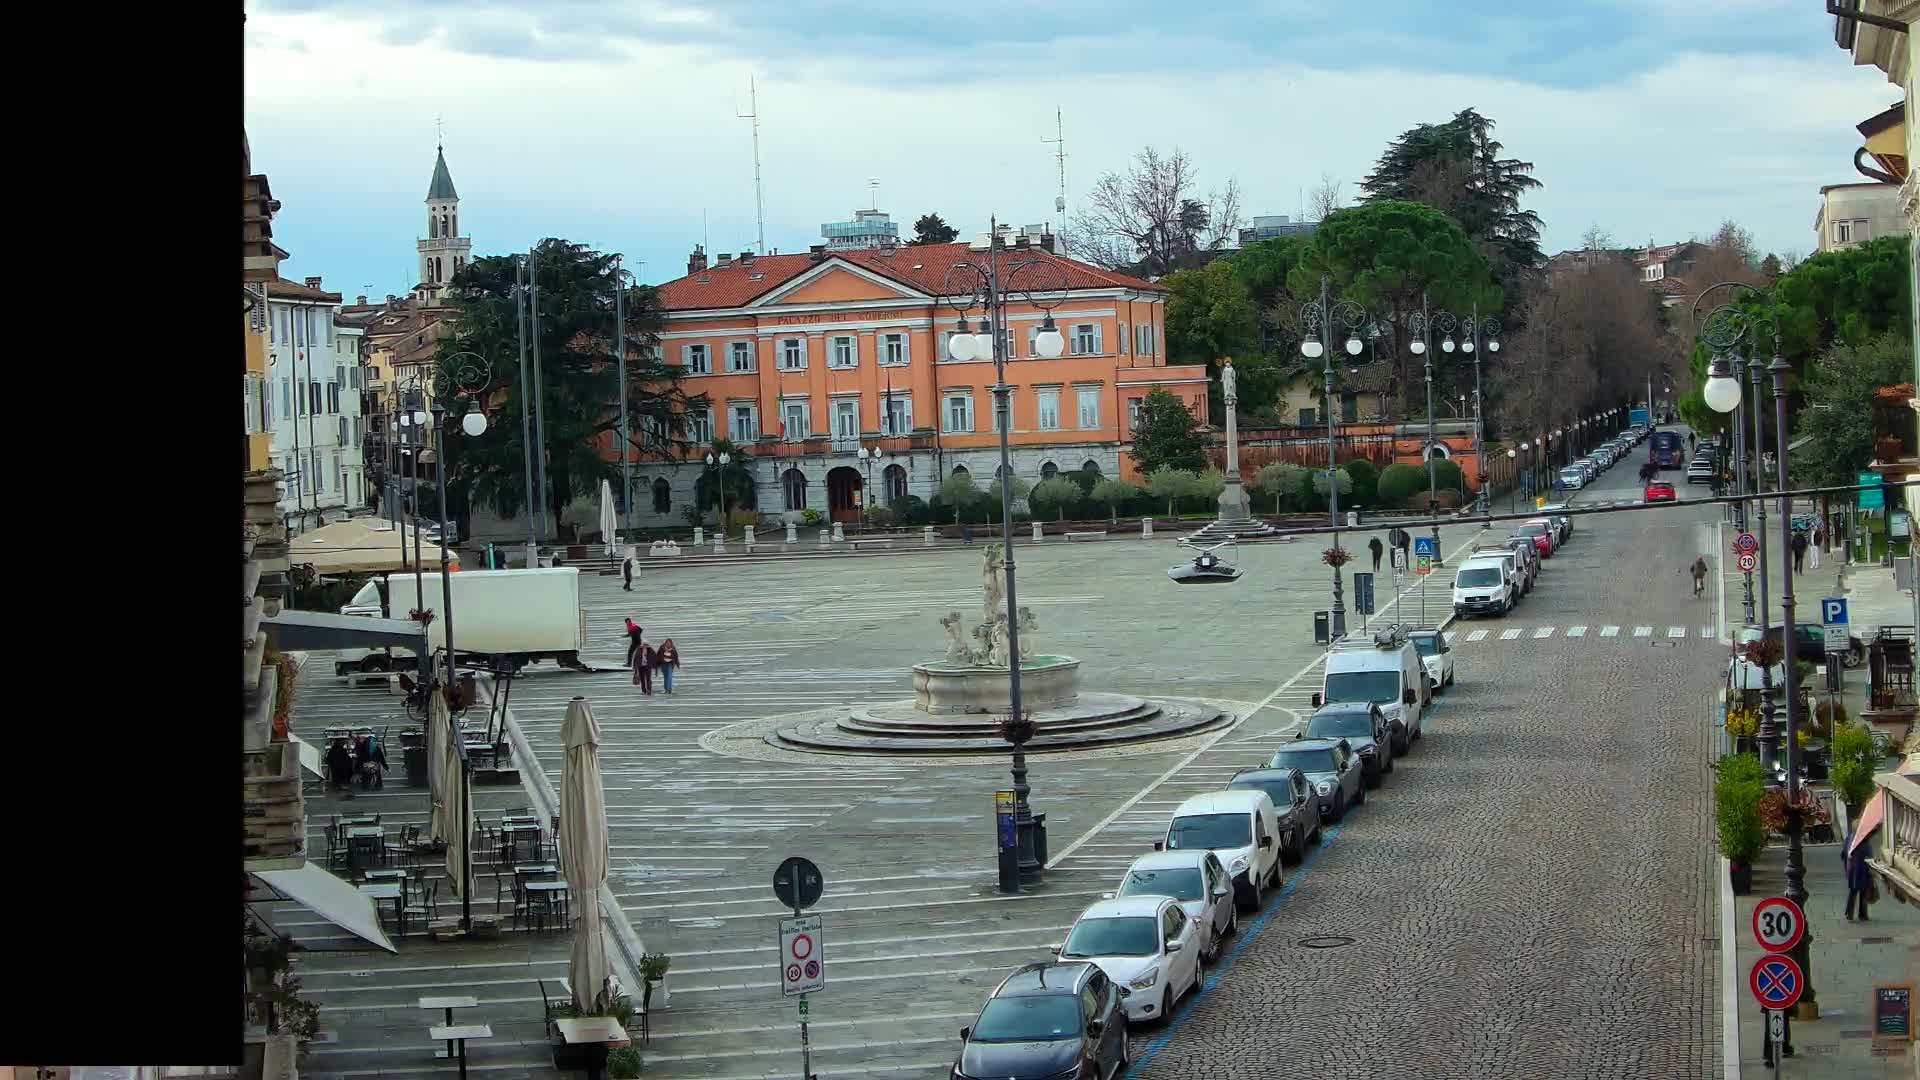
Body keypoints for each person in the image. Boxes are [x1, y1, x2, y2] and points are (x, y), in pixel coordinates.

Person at [1846, 831, 1876, 921]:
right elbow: (1870, 856)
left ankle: (1849, 913)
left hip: (1853, 869)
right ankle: (1863, 914)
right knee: (1863, 892)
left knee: (1853, 892)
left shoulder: (1850, 838)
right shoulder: (1864, 841)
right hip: (1863, 869)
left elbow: (1843, 853)